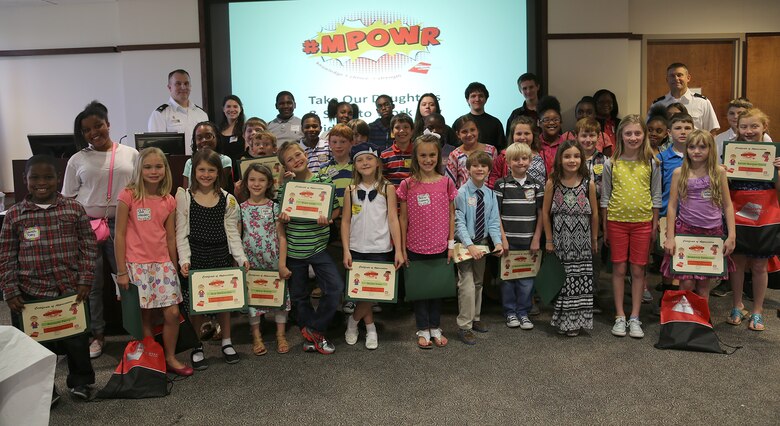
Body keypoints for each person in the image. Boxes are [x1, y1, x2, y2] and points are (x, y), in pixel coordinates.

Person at [1, 155, 98, 401]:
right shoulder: (14, 215)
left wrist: (86, 279)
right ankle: (45, 389)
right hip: (30, 293)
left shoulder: (73, 208)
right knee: (36, 346)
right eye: (34, 177)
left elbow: (88, 245)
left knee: (77, 341)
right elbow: (6, 256)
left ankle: (81, 382)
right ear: (25, 179)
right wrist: (10, 290)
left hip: (71, 290)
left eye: (48, 177)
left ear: (58, 179)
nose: (41, 182)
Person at [64, 101, 138, 359]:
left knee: (127, 281)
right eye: (87, 130)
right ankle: (97, 335)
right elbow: (68, 198)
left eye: (98, 125)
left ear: (108, 125)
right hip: (88, 228)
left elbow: (138, 191)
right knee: (92, 285)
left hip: (122, 225)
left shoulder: (130, 154)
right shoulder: (77, 160)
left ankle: (136, 334)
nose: (94, 132)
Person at [114, 148, 192, 376]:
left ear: (165, 169)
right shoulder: (127, 195)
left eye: (158, 166)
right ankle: (152, 358)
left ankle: (169, 357)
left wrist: (174, 267)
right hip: (135, 265)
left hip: (162, 265)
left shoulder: (168, 200)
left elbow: (169, 236)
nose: (153, 171)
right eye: (147, 166)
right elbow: (118, 235)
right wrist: (121, 271)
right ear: (139, 169)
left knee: (172, 314)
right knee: (144, 315)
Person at [176, 149, 249, 369]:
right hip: (196, 256)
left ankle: (226, 341)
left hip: (220, 255)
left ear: (219, 172)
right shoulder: (184, 196)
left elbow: (233, 233)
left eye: (211, 170)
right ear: (193, 171)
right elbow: (181, 232)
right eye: (201, 170)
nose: (206, 174)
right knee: (196, 305)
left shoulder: (228, 199)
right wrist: (184, 260)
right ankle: (197, 345)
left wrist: (241, 257)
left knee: (224, 302)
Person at [276, 142, 342, 354]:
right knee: (298, 296)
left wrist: (328, 219)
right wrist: (283, 217)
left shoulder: (323, 180)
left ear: (305, 154)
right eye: (290, 159)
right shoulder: (287, 187)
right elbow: (281, 216)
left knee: (335, 288)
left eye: (298, 154)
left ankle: (315, 329)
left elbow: (336, 209)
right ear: (285, 165)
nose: (296, 160)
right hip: (295, 249)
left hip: (318, 247)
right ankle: (313, 334)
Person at [601, 115, 662, 339]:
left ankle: (635, 316)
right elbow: (605, 197)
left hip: (642, 224)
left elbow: (656, 196)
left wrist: (655, 223)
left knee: (638, 270)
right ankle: (620, 315)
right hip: (616, 222)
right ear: (620, 136)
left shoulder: (652, 162)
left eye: (637, 133)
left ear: (644, 135)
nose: (633, 137)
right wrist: (606, 226)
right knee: (618, 269)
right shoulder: (611, 163)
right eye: (628, 133)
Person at [340, 144, 404, 349]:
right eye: (360, 160)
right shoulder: (350, 189)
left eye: (369, 159)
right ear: (355, 165)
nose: (365, 163)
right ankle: (370, 328)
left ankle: (353, 322)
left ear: (377, 162)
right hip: (357, 247)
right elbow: (345, 222)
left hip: (380, 248)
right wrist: (346, 249)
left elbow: (393, 219)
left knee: (373, 292)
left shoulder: (388, 188)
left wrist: (400, 250)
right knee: (361, 292)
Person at [398, 134, 457, 349]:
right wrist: (402, 248)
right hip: (415, 246)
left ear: (438, 156)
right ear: (415, 156)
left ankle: (435, 327)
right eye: (423, 155)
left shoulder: (447, 183)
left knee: (437, 289)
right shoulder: (407, 184)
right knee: (420, 291)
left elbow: (452, 215)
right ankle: (422, 328)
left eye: (432, 155)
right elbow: (403, 218)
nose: (428, 159)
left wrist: (451, 244)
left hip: (440, 246)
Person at [662, 130, 736, 299]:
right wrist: (670, 236)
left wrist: (731, 235)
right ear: (686, 149)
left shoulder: (719, 172)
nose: (696, 151)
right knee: (686, 282)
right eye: (692, 147)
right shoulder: (679, 173)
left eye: (702, 147)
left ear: (711, 149)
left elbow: (727, 205)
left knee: (703, 284)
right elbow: (672, 206)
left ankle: (702, 321)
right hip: (686, 230)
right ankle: (686, 320)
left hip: (712, 232)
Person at [726, 108, 780, 331]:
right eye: (744, 126)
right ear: (737, 128)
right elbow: (724, 188)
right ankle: (737, 305)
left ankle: (757, 311)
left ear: (764, 127)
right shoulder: (731, 152)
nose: (748, 131)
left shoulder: (775, 154)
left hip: (765, 214)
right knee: (736, 262)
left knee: (759, 265)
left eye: (754, 126)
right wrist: (723, 172)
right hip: (736, 211)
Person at [542, 140, 599, 336]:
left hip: (582, 242)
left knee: (581, 281)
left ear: (581, 159)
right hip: (561, 241)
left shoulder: (587, 183)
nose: (572, 160)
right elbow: (545, 214)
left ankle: (577, 322)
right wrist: (549, 240)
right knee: (565, 282)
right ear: (559, 159)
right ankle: (564, 322)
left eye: (576, 156)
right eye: (567, 156)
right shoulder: (553, 182)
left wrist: (593, 239)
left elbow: (595, 215)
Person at [239, 163, 291, 356]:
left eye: (261, 180)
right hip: (251, 263)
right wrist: (240, 262)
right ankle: (257, 336)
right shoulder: (241, 208)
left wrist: (282, 263)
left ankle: (280, 335)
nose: (256, 184)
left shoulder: (274, 207)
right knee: (254, 298)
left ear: (269, 183)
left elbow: (282, 237)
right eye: (252, 179)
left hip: (273, 261)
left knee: (279, 297)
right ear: (246, 182)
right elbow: (237, 237)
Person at [454, 151, 504, 344]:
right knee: (466, 284)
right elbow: (459, 223)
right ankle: (464, 326)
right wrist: (469, 245)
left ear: (489, 170)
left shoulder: (490, 193)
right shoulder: (460, 193)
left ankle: (475, 318)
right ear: (468, 169)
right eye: (475, 165)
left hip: (482, 245)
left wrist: (497, 241)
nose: (479, 169)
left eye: (483, 166)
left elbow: (492, 221)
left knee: (478, 283)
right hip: (465, 245)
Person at [495, 143, 543, 329]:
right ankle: (510, 312)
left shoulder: (536, 185)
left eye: (524, 158)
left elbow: (540, 214)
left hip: (529, 241)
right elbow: (496, 215)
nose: (520, 162)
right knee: (507, 279)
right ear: (507, 162)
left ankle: (523, 312)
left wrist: (537, 238)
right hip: (508, 242)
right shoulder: (501, 184)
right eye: (515, 159)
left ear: (530, 161)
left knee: (526, 280)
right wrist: (502, 239)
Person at [148, 69, 209, 156]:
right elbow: (156, 150)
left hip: (199, 165)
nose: (183, 87)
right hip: (173, 166)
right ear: (169, 87)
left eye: (186, 83)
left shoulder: (201, 114)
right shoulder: (160, 114)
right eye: (178, 84)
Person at [650, 63, 720, 133]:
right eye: (672, 76)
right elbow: (650, 130)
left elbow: (712, 131)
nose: (676, 78)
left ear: (688, 78)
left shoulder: (702, 102)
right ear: (667, 79)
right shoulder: (658, 104)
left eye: (679, 75)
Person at [489, 116, 546, 190]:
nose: (522, 137)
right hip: (511, 199)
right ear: (512, 136)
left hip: (539, 199)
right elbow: (493, 180)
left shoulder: (543, 155)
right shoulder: (503, 156)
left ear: (533, 135)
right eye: (518, 134)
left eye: (527, 133)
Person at [445, 114, 498, 188]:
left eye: (472, 130)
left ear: (478, 130)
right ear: (458, 134)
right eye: (464, 132)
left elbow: (495, 176)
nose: (469, 134)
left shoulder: (491, 151)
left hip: (488, 196)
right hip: (463, 198)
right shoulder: (454, 155)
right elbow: (450, 184)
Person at [181, 122, 233, 191]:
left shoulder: (225, 160)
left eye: (208, 136)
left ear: (216, 138)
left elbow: (219, 189)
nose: (204, 140)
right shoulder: (189, 162)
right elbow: (186, 191)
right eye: (199, 138)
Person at [464, 82, 505, 150]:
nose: (477, 99)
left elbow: (501, 149)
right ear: (467, 100)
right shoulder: (461, 123)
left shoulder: (495, 123)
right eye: (473, 96)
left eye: (481, 96)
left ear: (486, 99)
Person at [380, 113, 415, 188]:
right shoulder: (384, 156)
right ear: (392, 133)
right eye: (397, 127)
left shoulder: (419, 152)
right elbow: (382, 180)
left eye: (406, 127)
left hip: (415, 196)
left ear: (412, 131)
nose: (402, 130)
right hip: (393, 197)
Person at [506, 72, 542, 138]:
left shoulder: (547, 112)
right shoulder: (515, 114)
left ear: (538, 87)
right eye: (524, 88)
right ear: (520, 90)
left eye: (531, 87)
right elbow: (509, 138)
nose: (528, 91)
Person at [536, 96, 565, 174]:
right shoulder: (534, 144)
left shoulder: (567, 145)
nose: (551, 123)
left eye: (556, 119)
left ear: (561, 121)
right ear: (539, 123)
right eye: (546, 120)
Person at [218, 95, 247, 162]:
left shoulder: (246, 129)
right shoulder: (218, 130)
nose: (232, 109)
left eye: (235, 106)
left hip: (240, 167)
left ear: (241, 109)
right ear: (223, 109)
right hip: (223, 168)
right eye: (228, 106)